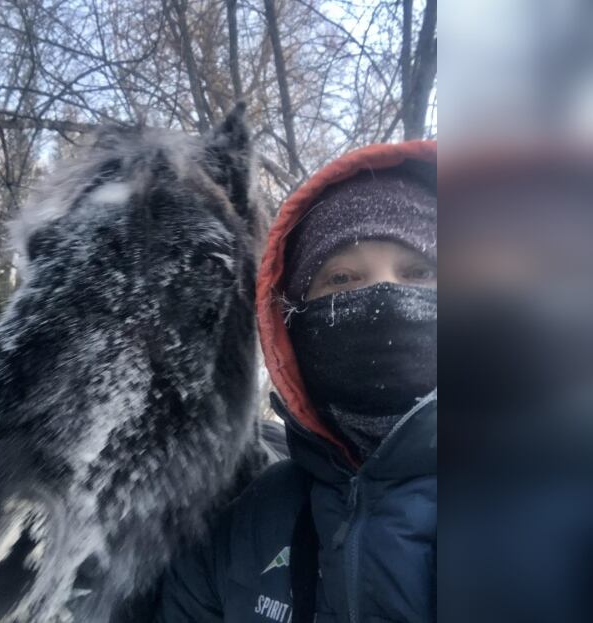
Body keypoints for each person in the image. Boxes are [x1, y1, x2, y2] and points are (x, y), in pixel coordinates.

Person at [155, 140, 437, 623]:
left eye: (418, 271)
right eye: (342, 279)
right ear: (292, 327)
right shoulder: (242, 529)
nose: (382, 295)